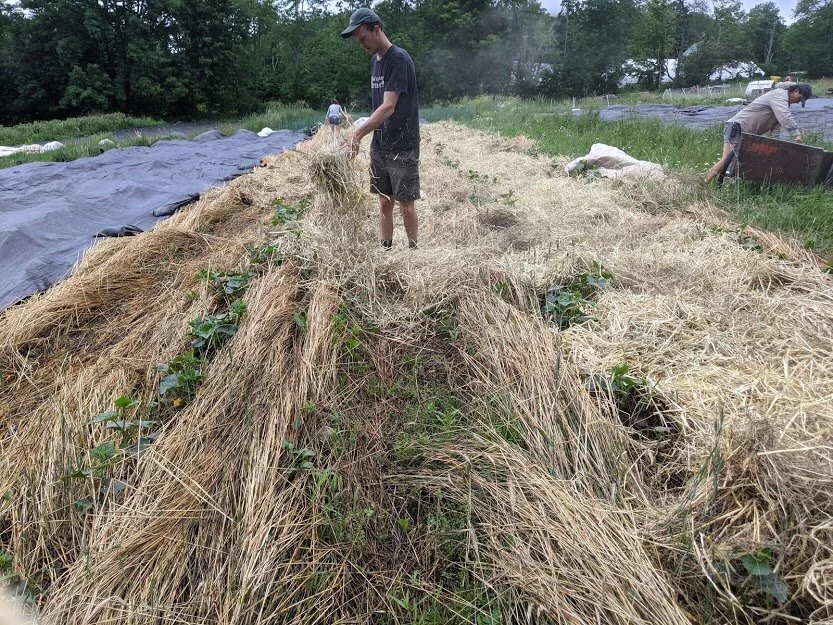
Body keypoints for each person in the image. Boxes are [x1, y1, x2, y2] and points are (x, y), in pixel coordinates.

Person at [341, 8, 420, 249]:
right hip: (381, 145)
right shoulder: (375, 62)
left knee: (405, 203)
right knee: (385, 201)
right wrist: (363, 131)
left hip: (402, 145)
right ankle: (386, 248)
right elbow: (378, 108)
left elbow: (388, 107)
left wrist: (357, 133)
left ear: (377, 29)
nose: (361, 44)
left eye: (363, 38)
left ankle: (413, 251)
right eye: (358, 41)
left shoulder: (398, 59)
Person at [705, 82, 812, 184]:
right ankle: (702, 184)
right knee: (727, 159)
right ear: (796, 90)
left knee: (738, 162)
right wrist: (796, 133)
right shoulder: (779, 95)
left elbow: (775, 133)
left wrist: (776, 149)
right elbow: (785, 116)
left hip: (745, 135)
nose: (798, 102)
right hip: (736, 126)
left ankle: (721, 186)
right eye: (799, 98)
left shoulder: (782, 105)